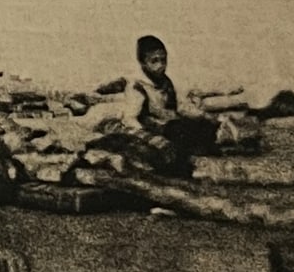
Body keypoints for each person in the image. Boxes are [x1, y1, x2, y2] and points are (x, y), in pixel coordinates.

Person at [93, 34, 219, 177]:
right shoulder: (138, 86)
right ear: (143, 63)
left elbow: (179, 107)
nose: (160, 65)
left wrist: (203, 116)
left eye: (163, 60)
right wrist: (147, 136)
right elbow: (130, 118)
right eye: (154, 61)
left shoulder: (166, 82)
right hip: (154, 127)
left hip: (171, 124)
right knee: (178, 135)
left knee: (202, 127)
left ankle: (198, 155)